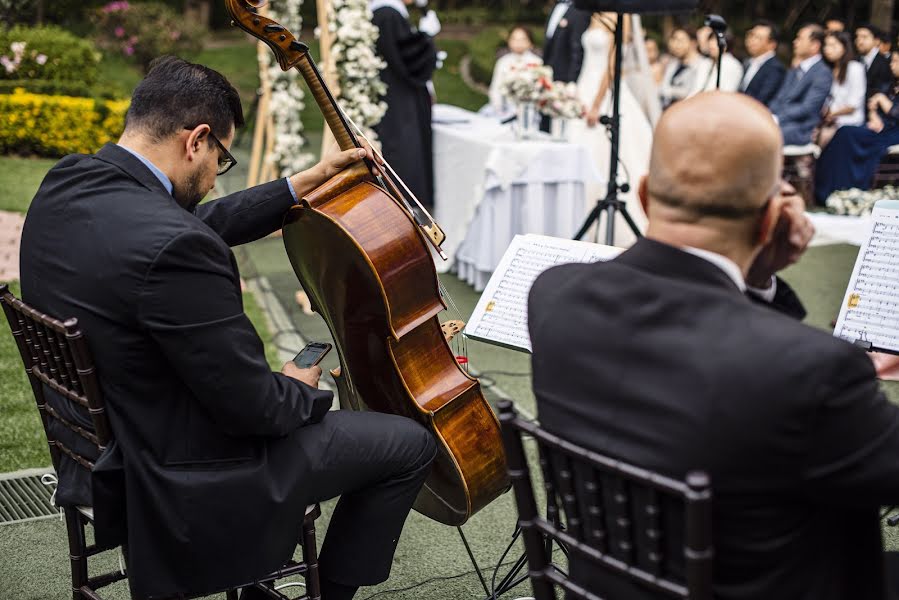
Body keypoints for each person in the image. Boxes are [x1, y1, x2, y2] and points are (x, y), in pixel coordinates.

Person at [19, 56, 437, 600]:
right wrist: (299, 387)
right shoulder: (175, 248)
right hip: (177, 471)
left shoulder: (71, 182)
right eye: (222, 157)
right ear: (196, 140)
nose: (218, 177)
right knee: (407, 445)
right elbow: (257, 409)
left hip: (99, 449)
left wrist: (297, 187)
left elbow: (181, 225)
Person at [529, 90, 899, 600]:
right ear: (769, 221)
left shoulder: (554, 294)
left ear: (643, 195)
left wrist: (760, 279)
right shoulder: (813, 370)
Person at [569, 12, 654, 247]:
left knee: (605, 154)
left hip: (605, 91)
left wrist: (597, 103)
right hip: (584, 85)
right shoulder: (592, 12)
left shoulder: (622, 16)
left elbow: (614, 62)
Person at [371, 0, 439, 209]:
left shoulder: (389, 13)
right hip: (398, 97)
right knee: (403, 148)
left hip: (395, 93)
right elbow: (407, 58)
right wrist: (426, 36)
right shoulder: (388, 14)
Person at [815, 52, 899, 204]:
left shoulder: (884, 93)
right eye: (892, 61)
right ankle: (829, 190)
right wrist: (874, 115)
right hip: (881, 128)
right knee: (844, 133)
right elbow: (874, 110)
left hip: (894, 133)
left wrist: (881, 98)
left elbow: (895, 112)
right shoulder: (890, 86)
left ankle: (846, 188)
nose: (892, 65)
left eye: (896, 61)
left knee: (847, 133)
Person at [769, 23, 833, 146]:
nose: (795, 42)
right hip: (781, 121)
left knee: (762, 136)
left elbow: (807, 109)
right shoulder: (795, 69)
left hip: (801, 128)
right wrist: (769, 114)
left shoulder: (823, 73)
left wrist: (777, 118)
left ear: (815, 46)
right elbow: (779, 98)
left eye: (799, 38)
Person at [818, 30, 866, 147]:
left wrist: (831, 114)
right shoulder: (827, 70)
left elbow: (853, 105)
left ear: (844, 47)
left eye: (833, 45)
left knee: (823, 137)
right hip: (829, 120)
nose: (827, 49)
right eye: (826, 45)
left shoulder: (855, 68)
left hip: (848, 121)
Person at [487, 25, 542, 116]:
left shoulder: (537, 62)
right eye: (514, 39)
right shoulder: (503, 62)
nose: (518, 43)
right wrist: (499, 109)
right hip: (505, 111)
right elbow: (495, 89)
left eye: (523, 40)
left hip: (530, 112)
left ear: (530, 43)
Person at [659, 27, 711, 108]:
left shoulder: (703, 65)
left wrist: (668, 91)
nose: (675, 45)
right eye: (673, 40)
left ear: (693, 43)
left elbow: (694, 93)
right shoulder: (673, 65)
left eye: (680, 41)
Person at [542, 0, 591, 84]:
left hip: (564, 76)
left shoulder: (580, 10)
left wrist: (572, 81)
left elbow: (577, 48)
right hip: (547, 72)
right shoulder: (556, 6)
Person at [740, 20, 786, 106]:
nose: (751, 40)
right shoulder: (747, 62)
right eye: (751, 35)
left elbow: (762, 99)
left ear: (772, 44)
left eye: (758, 38)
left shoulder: (775, 69)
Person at [856, 23, 892, 99]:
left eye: (864, 37)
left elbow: (882, 91)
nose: (859, 41)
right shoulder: (853, 60)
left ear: (876, 41)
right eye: (857, 37)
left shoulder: (885, 64)